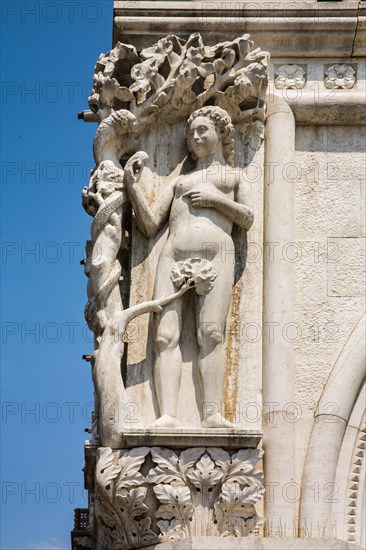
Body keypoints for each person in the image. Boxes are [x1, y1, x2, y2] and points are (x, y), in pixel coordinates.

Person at [125, 106, 253, 428]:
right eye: (191, 133)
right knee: (165, 336)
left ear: (221, 133)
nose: (195, 137)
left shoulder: (234, 177)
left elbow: (247, 218)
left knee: (210, 333)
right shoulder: (181, 181)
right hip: (173, 255)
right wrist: (133, 186)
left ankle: (211, 414)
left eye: (202, 130)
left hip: (217, 256)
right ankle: (168, 414)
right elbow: (151, 221)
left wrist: (215, 201)